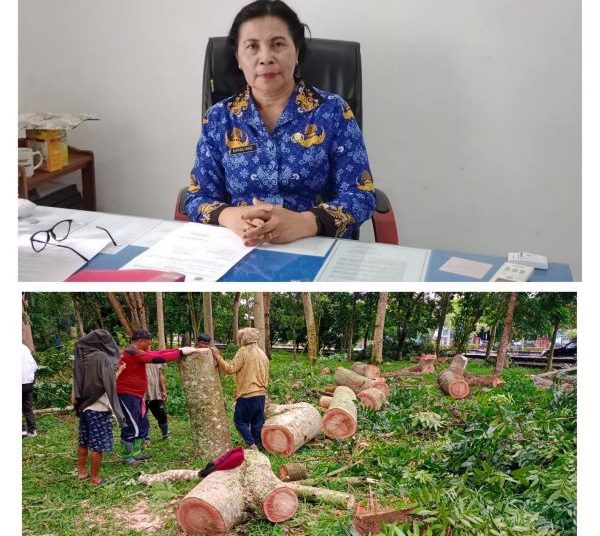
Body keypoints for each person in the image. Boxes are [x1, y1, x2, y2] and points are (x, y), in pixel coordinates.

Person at [186, 0, 376, 245]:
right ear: (238, 58)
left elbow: (361, 195)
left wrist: (305, 222)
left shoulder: (333, 112)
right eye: (252, 46)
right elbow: (197, 197)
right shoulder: (219, 118)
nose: (265, 58)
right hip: (238, 247)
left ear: (296, 51)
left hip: (313, 244)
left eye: (277, 44)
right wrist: (232, 216)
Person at [116, 329, 196, 465]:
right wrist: (181, 352)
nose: (148, 346)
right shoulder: (132, 352)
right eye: (147, 343)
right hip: (127, 395)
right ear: (141, 341)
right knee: (132, 425)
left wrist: (180, 349)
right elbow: (157, 358)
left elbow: (158, 353)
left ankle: (136, 453)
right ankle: (128, 456)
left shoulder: (135, 351)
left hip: (137, 395)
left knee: (142, 423)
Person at [72, 329, 126, 486]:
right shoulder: (101, 358)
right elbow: (108, 384)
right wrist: (120, 371)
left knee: (83, 441)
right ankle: (95, 478)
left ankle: (81, 472)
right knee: (98, 445)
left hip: (85, 407)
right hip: (99, 408)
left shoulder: (82, 357)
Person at [209, 328, 269, 450]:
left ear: (245, 338)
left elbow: (230, 369)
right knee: (257, 422)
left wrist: (217, 357)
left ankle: (251, 444)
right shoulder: (262, 353)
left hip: (247, 393)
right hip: (261, 394)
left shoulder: (244, 351)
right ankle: (257, 444)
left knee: (239, 420)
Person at [144, 363, 169, 441]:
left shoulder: (155, 359)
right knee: (142, 414)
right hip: (141, 393)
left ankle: (165, 434)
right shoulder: (136, 357)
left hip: (155, 392)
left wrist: (164, 390)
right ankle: (145, 435)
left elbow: (160, 375)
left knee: (161, 414)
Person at [21, 343, 38, 438]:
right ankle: (32, 431)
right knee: (28, 407)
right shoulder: (24, 348)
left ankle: (22, 430)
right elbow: (34, 365)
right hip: (28, 382)